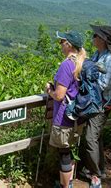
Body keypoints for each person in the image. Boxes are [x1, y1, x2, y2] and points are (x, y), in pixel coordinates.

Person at [80, 24, 111, 188]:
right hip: (93, 103)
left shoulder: (110, 59)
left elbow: (105, 85)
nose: (93, 38)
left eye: (95, 36)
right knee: (96, 137)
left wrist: (88, 74)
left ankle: (95, 176)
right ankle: (100, 169)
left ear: (102, 40)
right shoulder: (98, 55)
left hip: (102, 105)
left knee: (90, 138)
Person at [45, 30, 86, 188]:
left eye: (61, 42)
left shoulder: (67, 65)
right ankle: (68, 183)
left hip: (64, 118)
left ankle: (65, 186)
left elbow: (59, 95)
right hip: (77, 116)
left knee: (64, 154)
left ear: (69, 45)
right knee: (69, 151)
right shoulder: (82, 62)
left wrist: (49, 90)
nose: (60, 45)